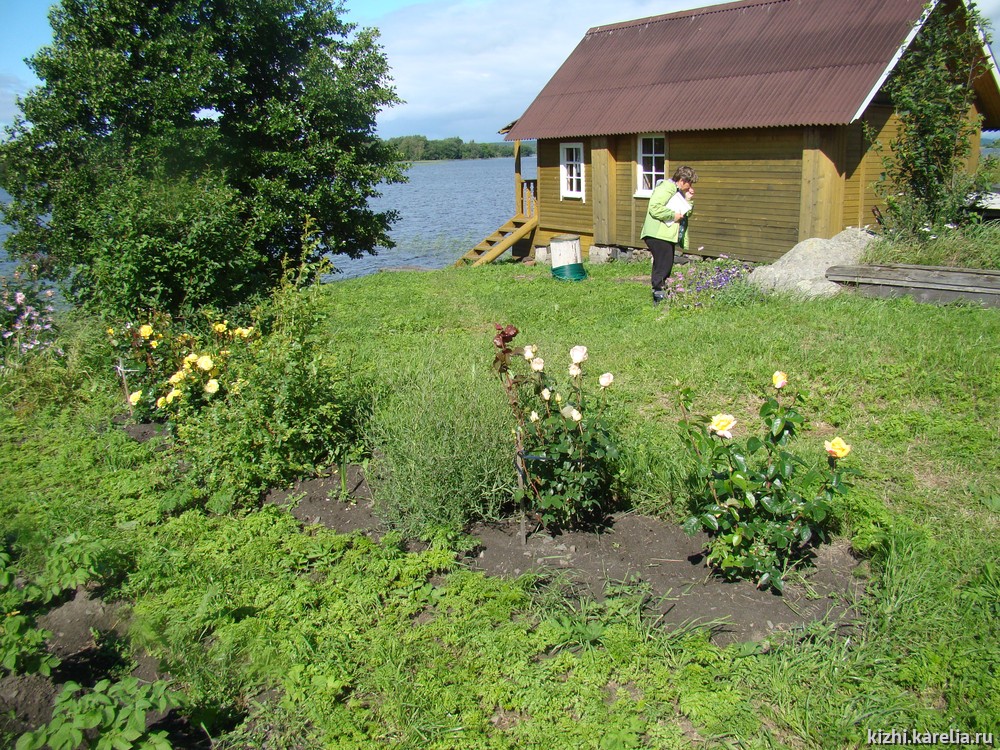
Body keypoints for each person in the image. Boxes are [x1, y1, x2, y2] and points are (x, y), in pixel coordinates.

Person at [640, 165, 698, 305]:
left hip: (665, 234)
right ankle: (659, 298)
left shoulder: (677, 192)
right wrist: (673, 215)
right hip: (658, 234)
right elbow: (654, 208)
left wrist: (689, 199)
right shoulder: (666, 188)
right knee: (663, 266)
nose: (690, 186)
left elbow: (685, 214)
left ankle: (661, 295)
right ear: (683, 180)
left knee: (664, 264)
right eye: (690, 183)